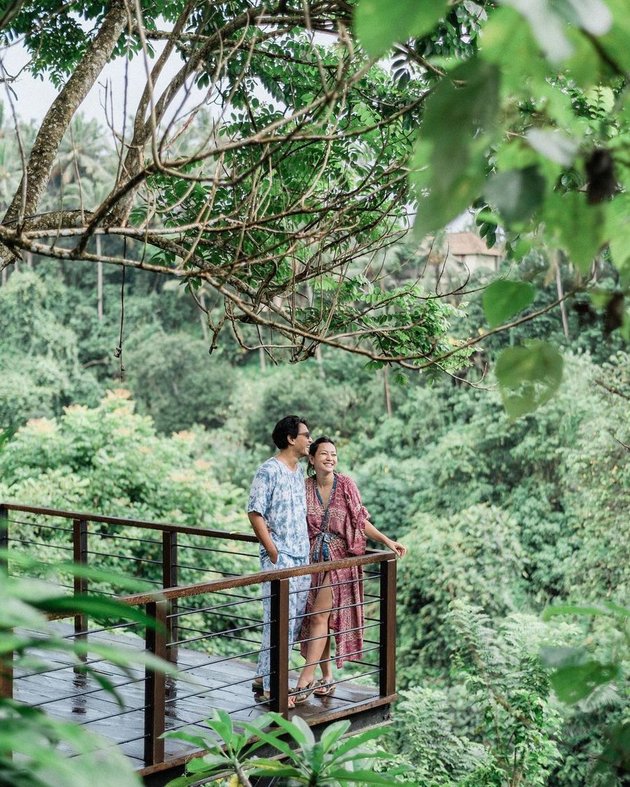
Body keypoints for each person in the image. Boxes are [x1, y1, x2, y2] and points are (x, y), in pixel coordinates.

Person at [293, 436, 407, 703]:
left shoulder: (345, 485)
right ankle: (327, 677)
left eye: (333, 454)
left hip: (340, 562)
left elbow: (359, 521)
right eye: (324, 454)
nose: (330, 458)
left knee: (320, 617)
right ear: (312, 458)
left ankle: (303, 680)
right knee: (316, 620)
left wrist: (387, 541)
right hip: (312, 560)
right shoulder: (305, 486)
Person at [248, 415, 313, 707]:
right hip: (282, 557)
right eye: (306, 435)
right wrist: (274, 552)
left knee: (293, 620)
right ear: (291, 438)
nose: (309, 440)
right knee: (279, 621)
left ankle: (264, 676)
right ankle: (273, 689)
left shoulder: (298, 471)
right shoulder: (268, 470)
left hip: (303, 557)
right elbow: (255, 512)